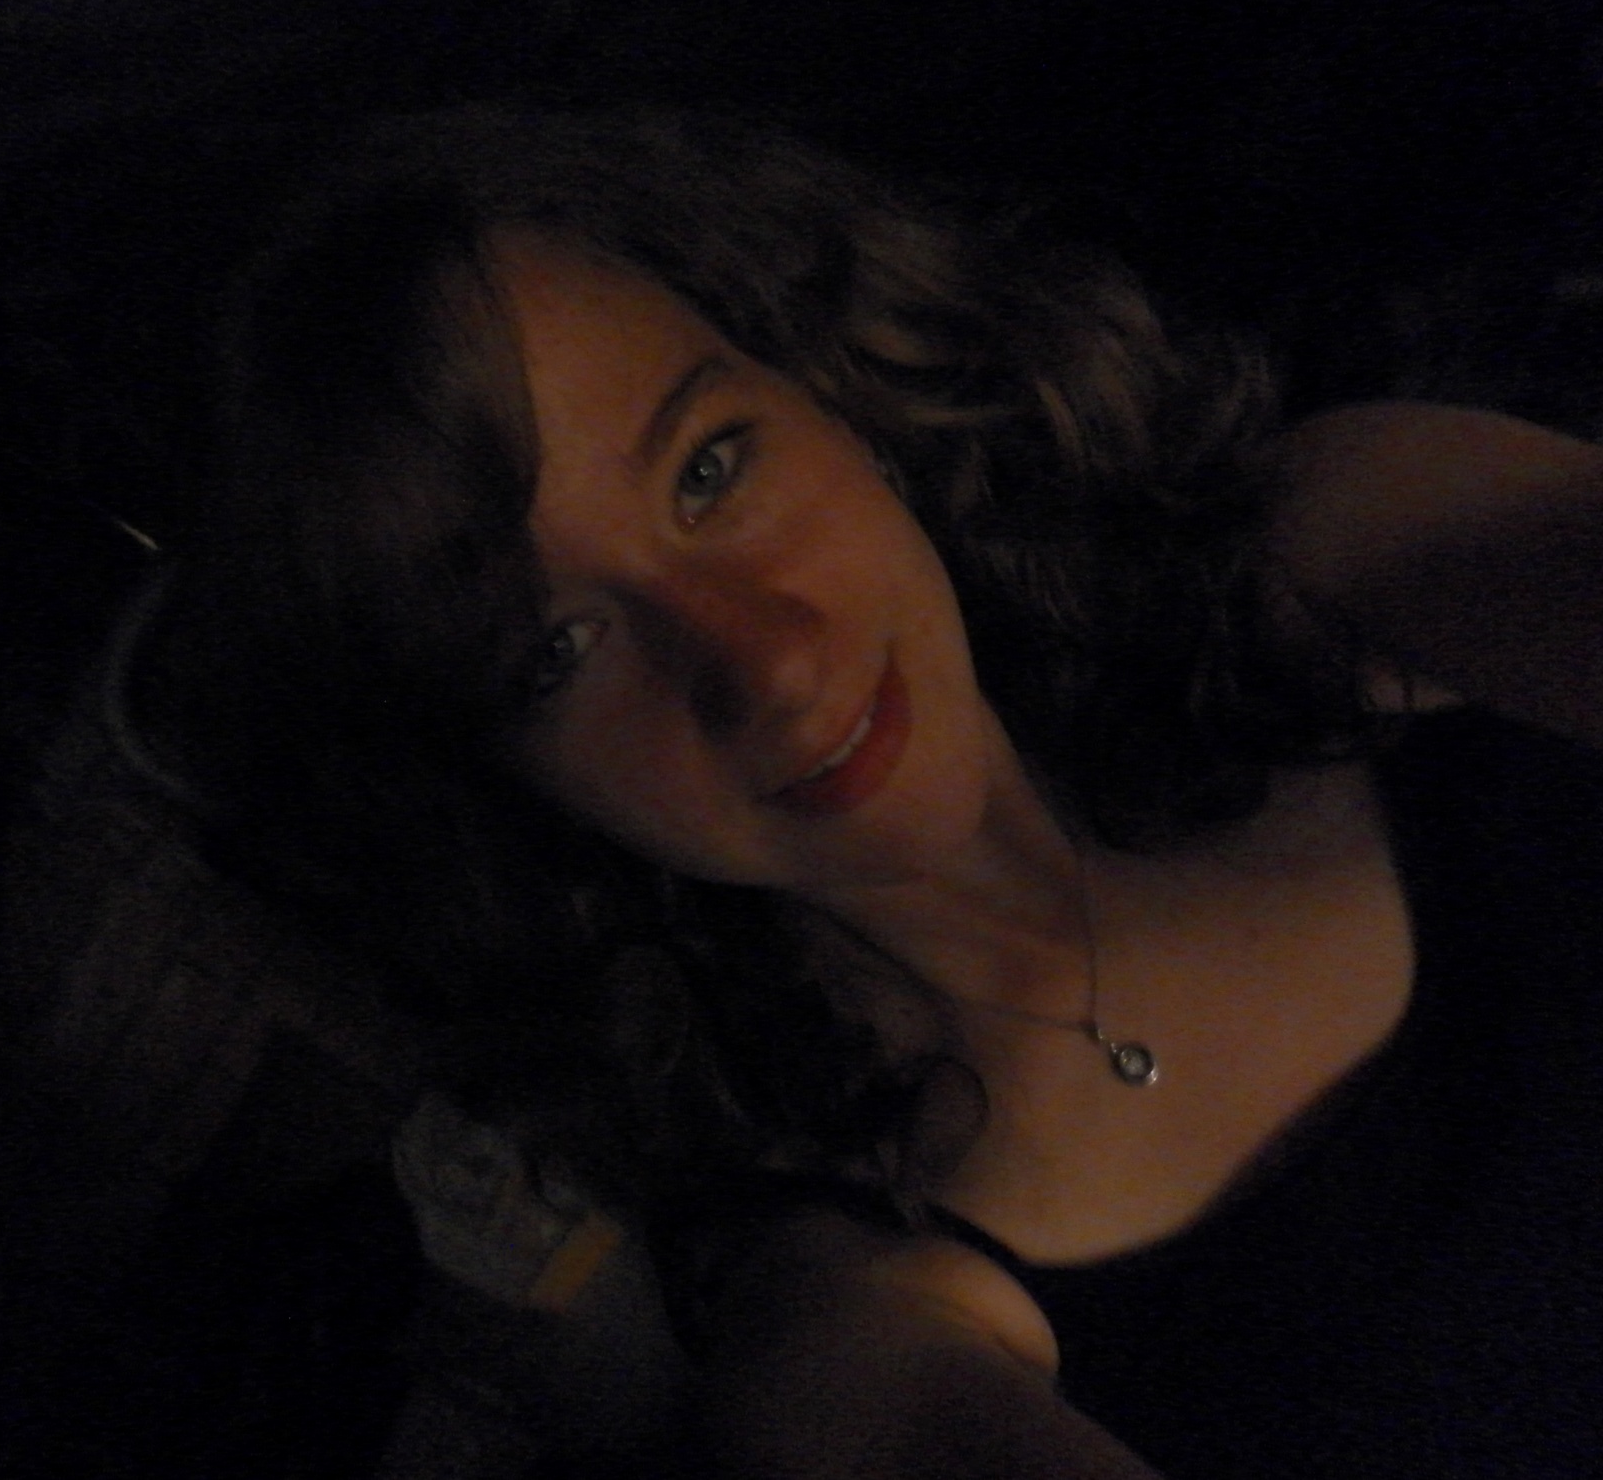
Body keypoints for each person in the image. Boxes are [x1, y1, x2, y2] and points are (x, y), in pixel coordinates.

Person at [132, 106, 1603, 1477]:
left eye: (711, 468)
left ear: (828, 388)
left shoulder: (1321, 559)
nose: (765, 662)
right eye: (553, 652)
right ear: (500, 786)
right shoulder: (846, 1308)